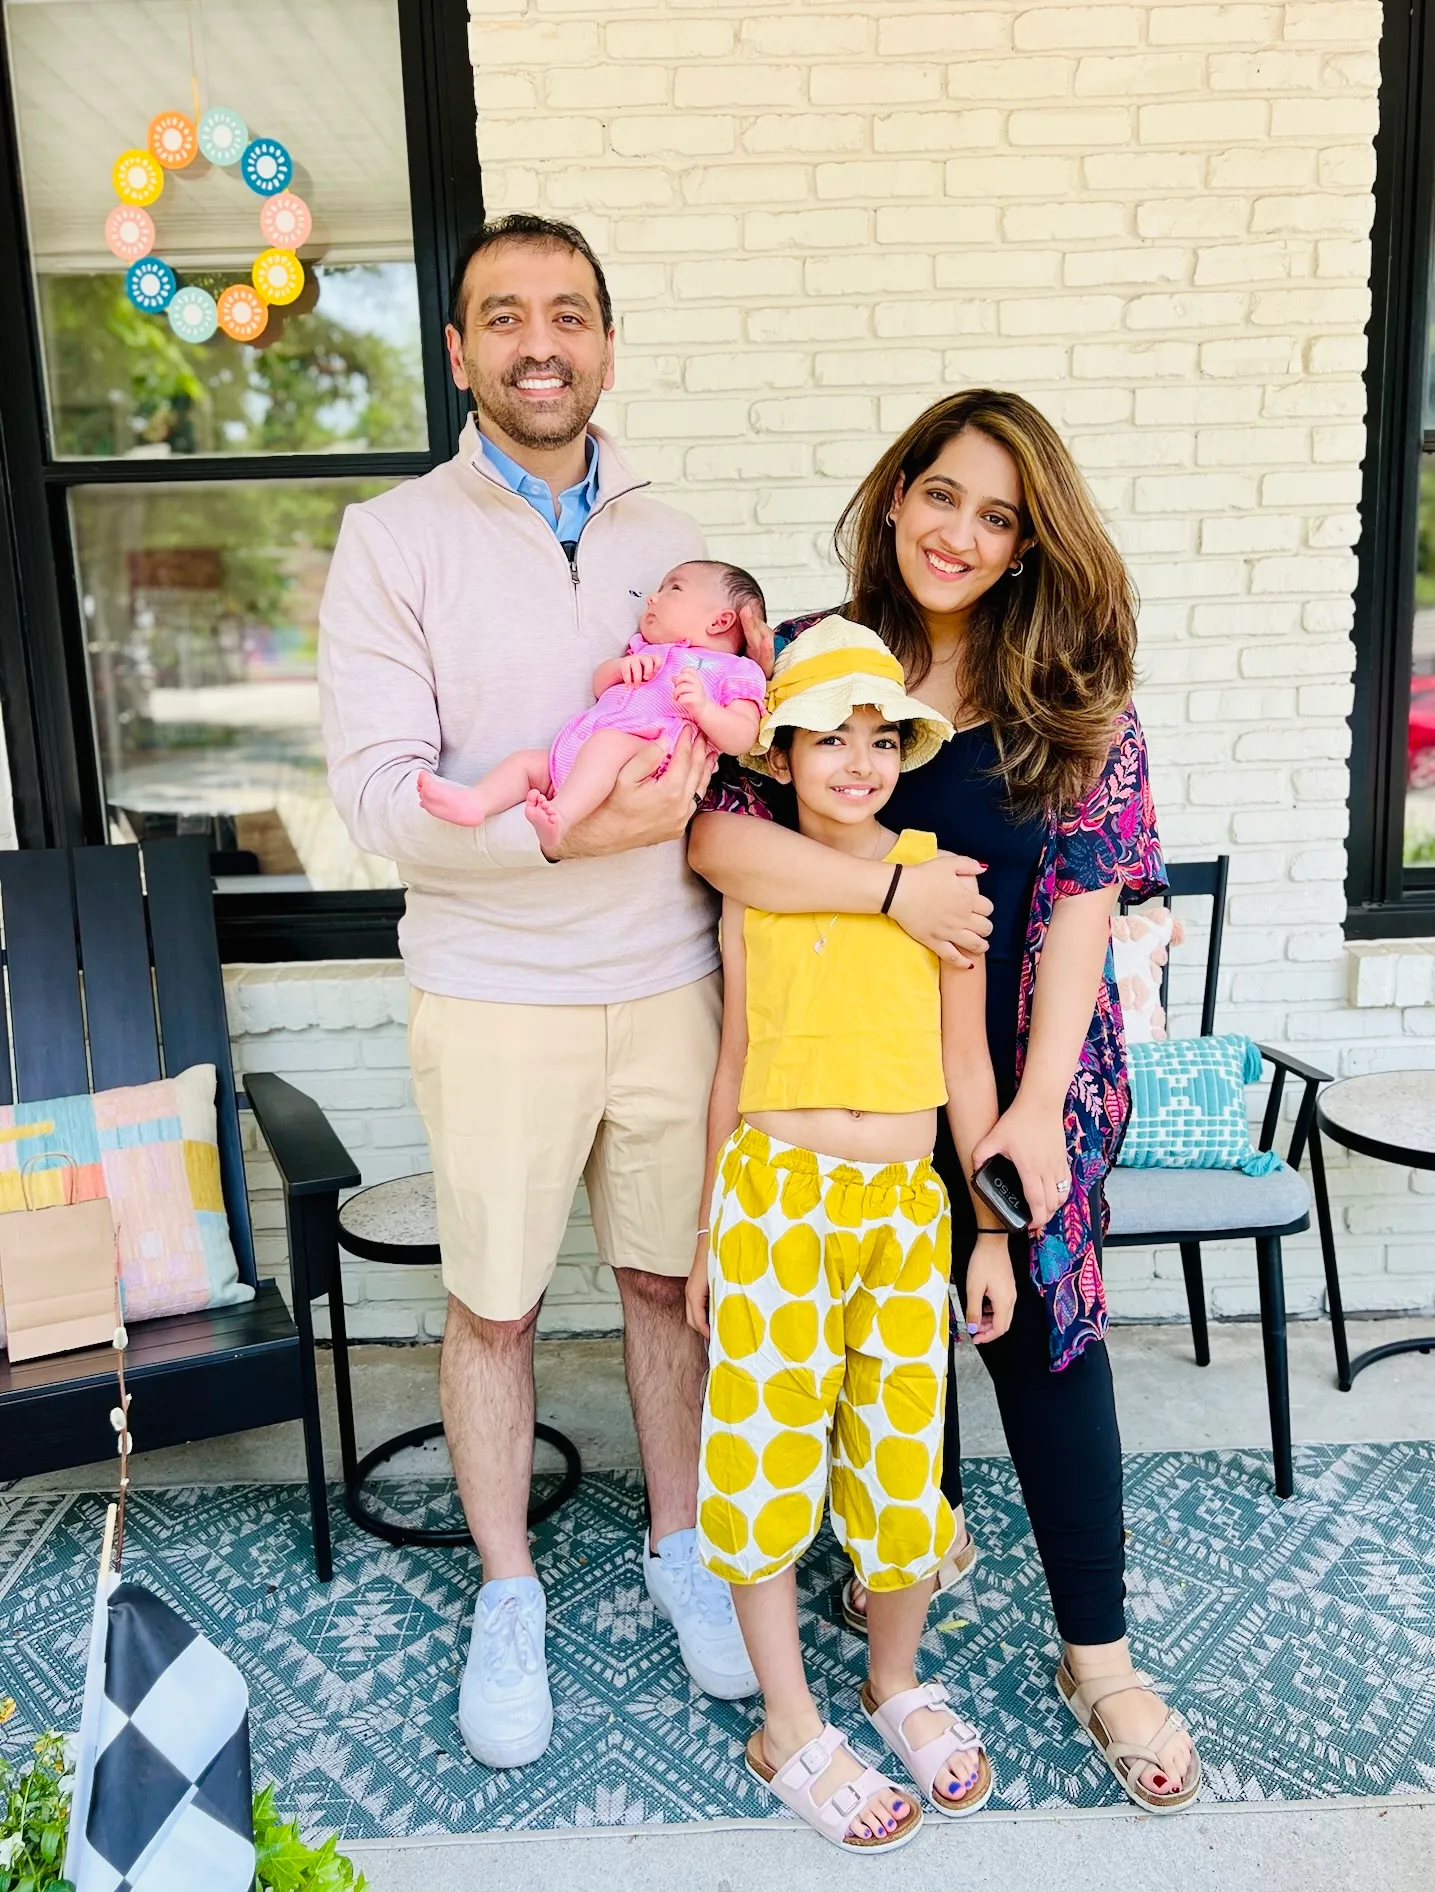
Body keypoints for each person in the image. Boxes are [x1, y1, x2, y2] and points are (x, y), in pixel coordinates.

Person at [690, 388, 1203, 1815]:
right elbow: (720, 841)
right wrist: (890, 889)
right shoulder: (815, 662)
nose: (959, 535)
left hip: (1009, 1071)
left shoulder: (1075, 695)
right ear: (893, 492)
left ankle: (1092, 1657)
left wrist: (1033, 1112)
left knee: (1037, 1334)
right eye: (940, 497)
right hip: (838, 1072)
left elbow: (1089, 908)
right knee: (874, 1339)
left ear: (1030, 544)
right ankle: (897, 1570)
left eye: (997, 517)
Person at [317, 213, 770, 1771]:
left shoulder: (680, 551)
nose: (537, 341)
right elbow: (379, 805)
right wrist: (572, 831)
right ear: (456, 351)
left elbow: (746, 757)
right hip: (492, 992)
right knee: (491, 1306)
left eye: (567, 312)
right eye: (501, 314)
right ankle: (507, 1590)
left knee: (664, 1287)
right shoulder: (393, 543)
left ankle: (679, 1549)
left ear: (604, 341)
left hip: (668, 982)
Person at [687, 620, 1009, 1851]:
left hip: (898, 1214)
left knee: (895, 1457)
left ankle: (894, 1679)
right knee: (764, 1454)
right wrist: (714, 1226)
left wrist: (987, 1226)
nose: (860, 761)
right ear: (780, 754)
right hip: (775, 1198)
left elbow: (966, 1065)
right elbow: (731, 1062)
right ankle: (789, 1718)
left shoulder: (942, 879)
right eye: (832, 738)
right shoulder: (756, 877)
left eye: (881, 739)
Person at [416, 560, 768, 852]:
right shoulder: (643, 649)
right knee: (526, 763)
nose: (651, 598)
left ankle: (562, 818)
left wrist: (704, 709)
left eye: (672, 590)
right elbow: (600, 686)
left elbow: (742, 736)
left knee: (607, 744)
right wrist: (618, 669)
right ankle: (476, 802)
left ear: (720, 621)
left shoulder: (736, 669)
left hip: (646, 757)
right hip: (582, 753)